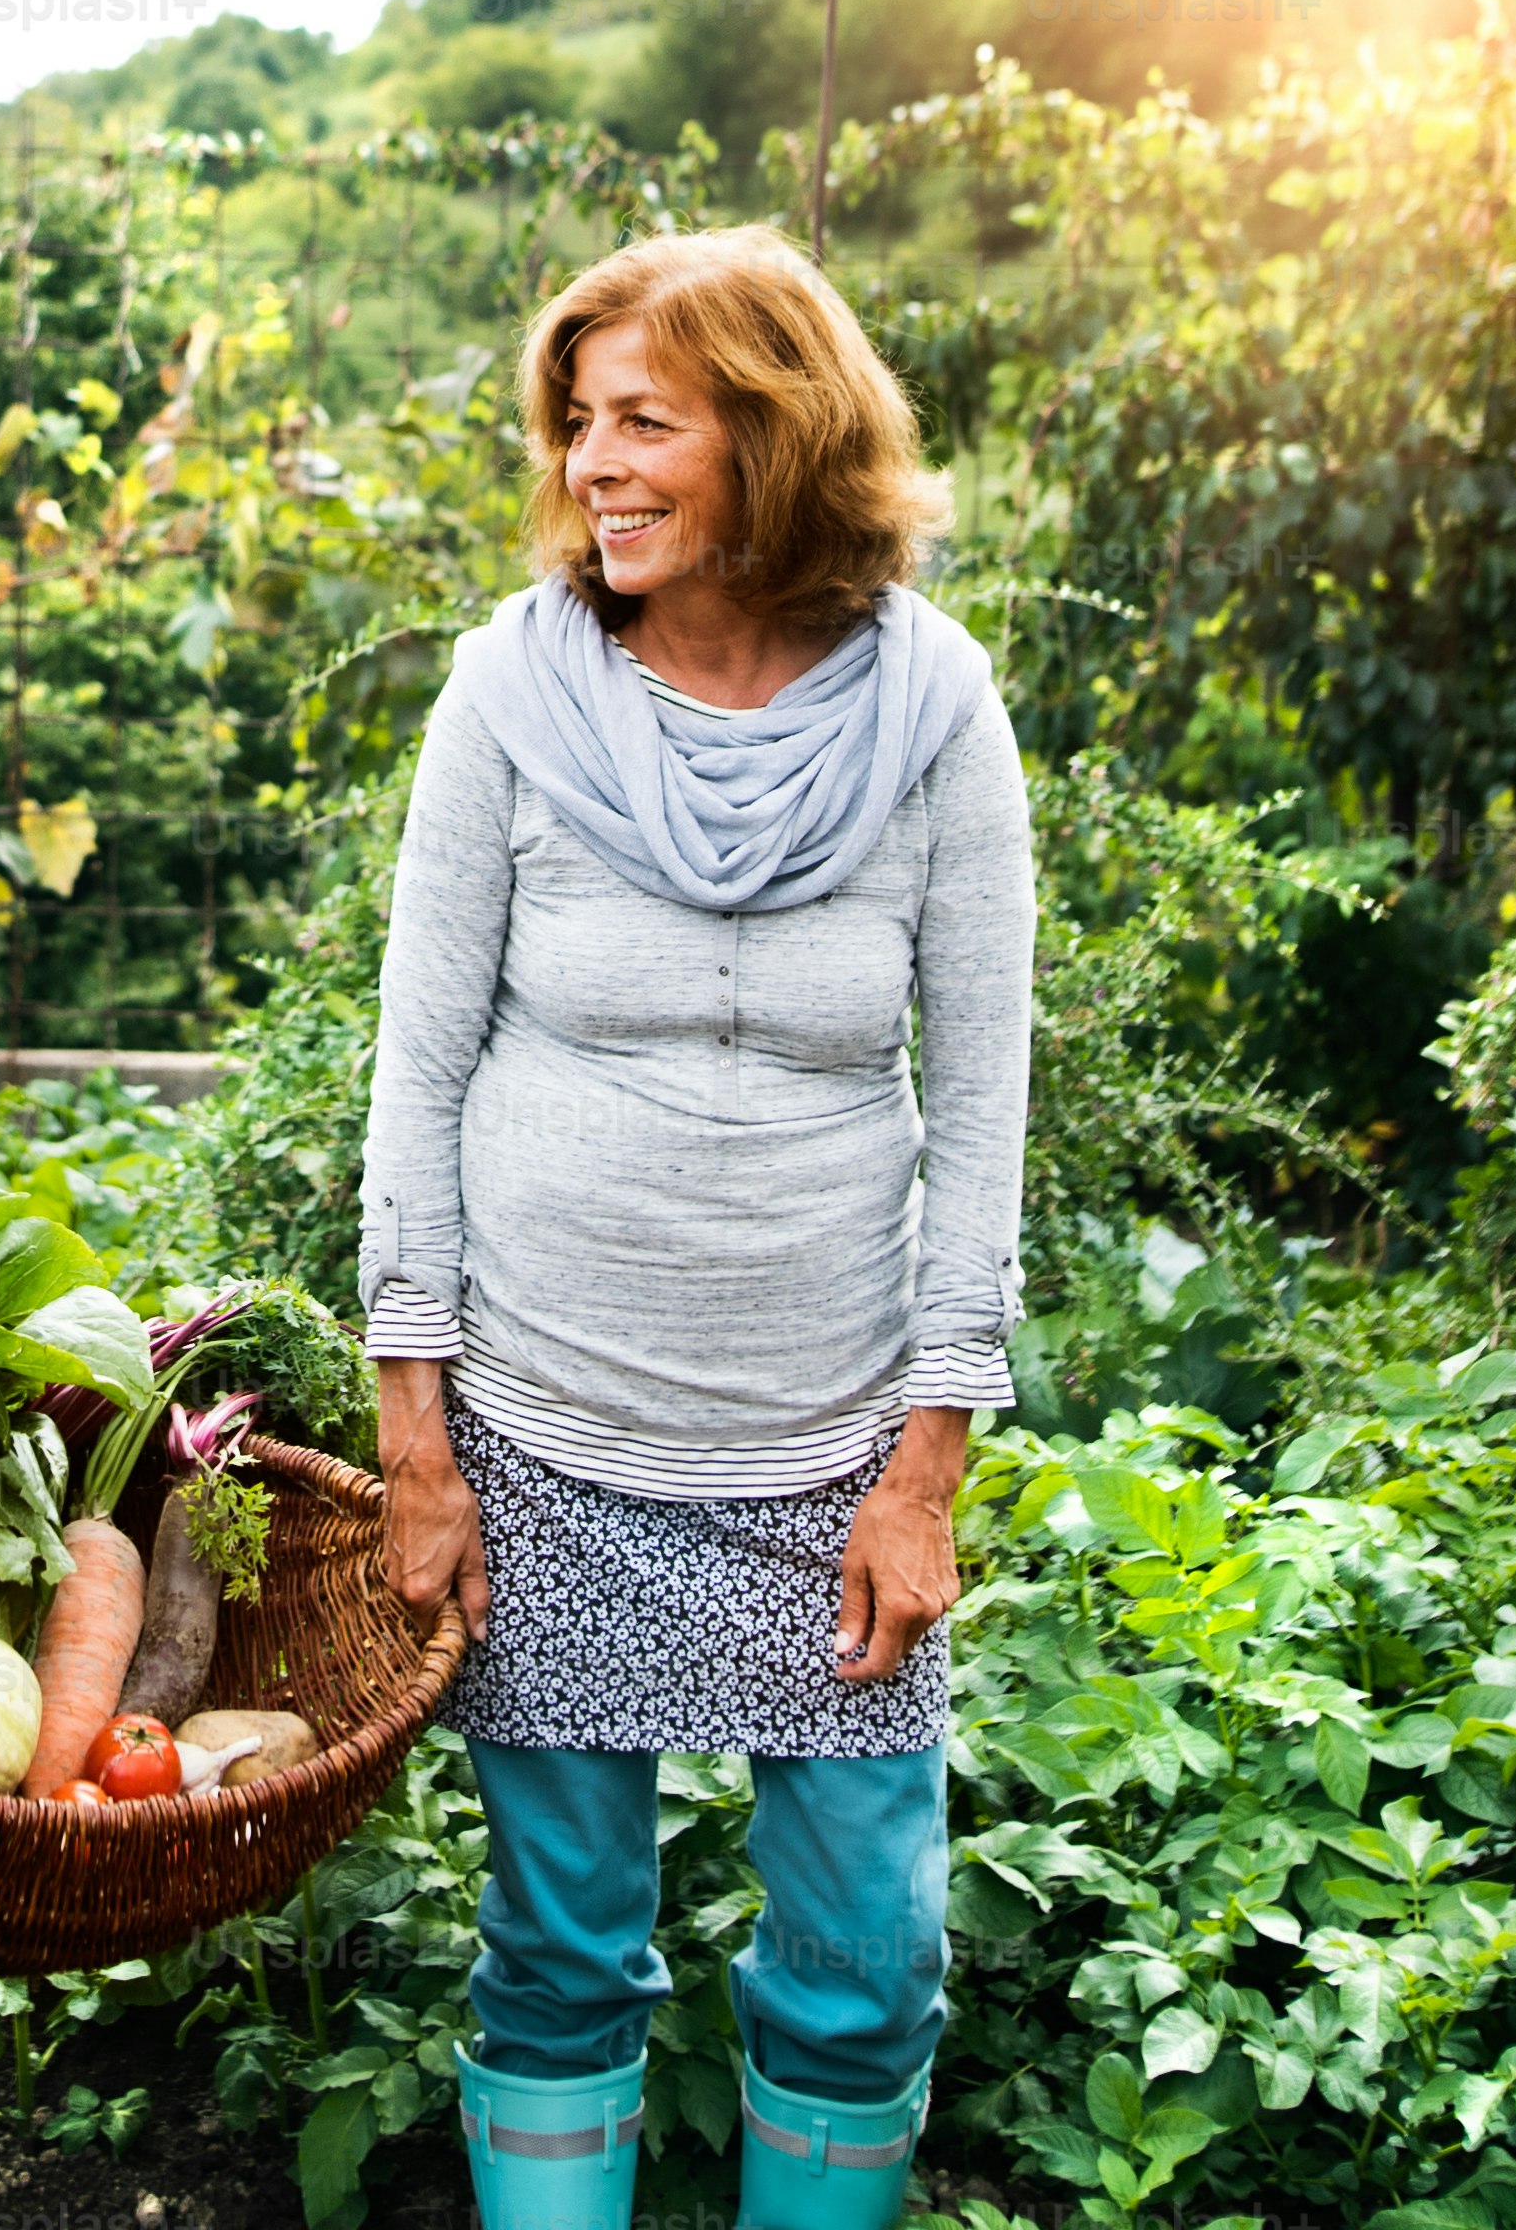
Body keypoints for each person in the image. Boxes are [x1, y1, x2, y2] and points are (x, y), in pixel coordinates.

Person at [359, 226, 1033, 2230]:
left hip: (833, 1449)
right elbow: (419, 1064)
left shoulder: (933, 706)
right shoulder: (511, 689)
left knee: (865, 1955)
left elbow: (984, 1105)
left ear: (782, 430)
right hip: (546, 1429)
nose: (595, 464)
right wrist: (418, 1437)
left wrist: (930, 1458)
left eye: (646, 419)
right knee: (561, 1945)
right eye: (579, 423)